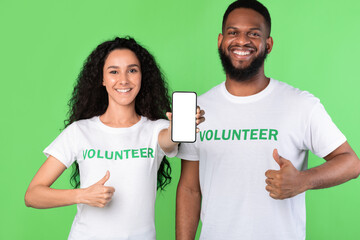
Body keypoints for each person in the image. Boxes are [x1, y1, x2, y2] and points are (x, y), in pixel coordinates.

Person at [175, 1, 360, 239]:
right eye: (233, 32)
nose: (242, 41)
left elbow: (351, 163)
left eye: (253, 34)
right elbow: (190, 189)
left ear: (268, 44)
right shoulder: (197, 110)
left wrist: (303, 180)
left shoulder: (301, 105)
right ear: (220, 40)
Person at [24, 37, 204, 240]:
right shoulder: (80, 131)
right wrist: (82, 195)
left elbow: (168, 139)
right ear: (102, 79)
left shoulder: (156, 129)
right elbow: (32, 195)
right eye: (113, 71)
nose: (124, 80)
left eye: (132, 70)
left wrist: (179, 129)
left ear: (142, 76)